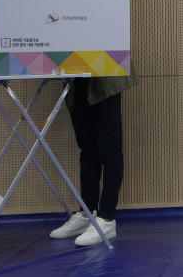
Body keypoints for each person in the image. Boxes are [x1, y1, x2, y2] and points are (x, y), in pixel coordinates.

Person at [50, 70, 136, 246]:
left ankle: (107, 218)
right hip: (77, 75)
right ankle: (86, 213)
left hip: (106, 71)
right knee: (87, 148)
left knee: (109, 149)